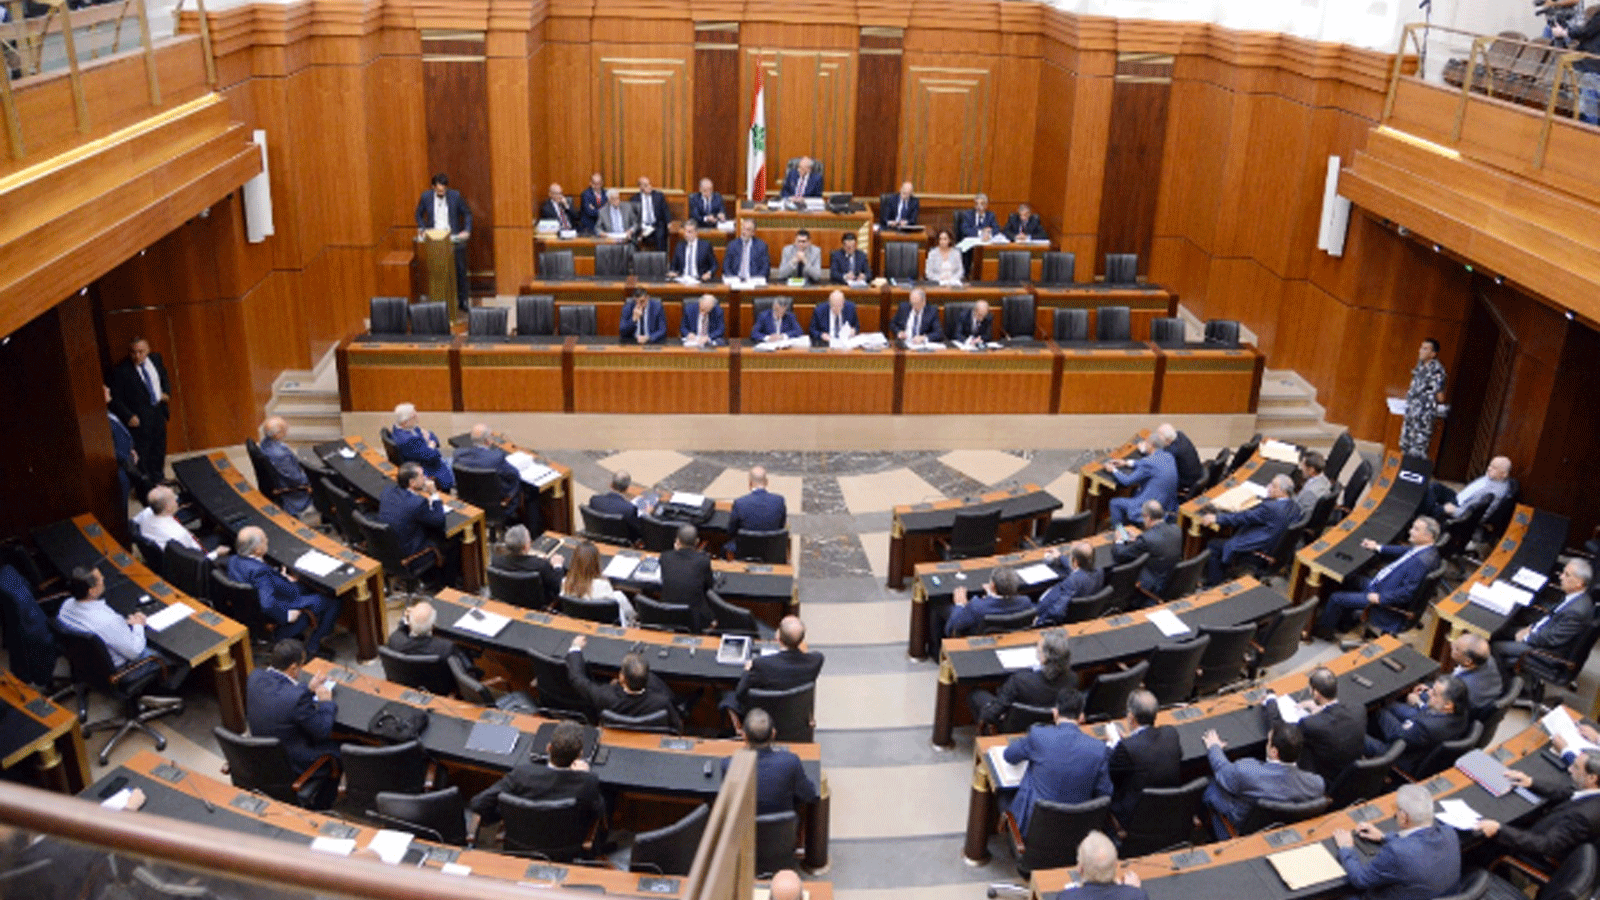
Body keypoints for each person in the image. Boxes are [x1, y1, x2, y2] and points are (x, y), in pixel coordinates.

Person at [468, 719, 607, 847]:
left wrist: (507, 815)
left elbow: (478, 803)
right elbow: (599, 812)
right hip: (563, 847)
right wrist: (584, 774)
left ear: (548, 748)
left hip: (520, 842)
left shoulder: (521, 775)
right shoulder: (587, 781)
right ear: (579, 755)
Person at [57, 566, 187, 691]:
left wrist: (119, 626)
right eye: (100, 579)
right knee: (173, 654)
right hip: (122, 671)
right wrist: (138, 625)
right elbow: (135, 652)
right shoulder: (107, 621)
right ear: (92, 591)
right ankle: (166, 690)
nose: (103, 579)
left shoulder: (66, 605)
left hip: (88, 665)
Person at [1003, 688, 1112, 835]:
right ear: (1081, 717)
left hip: (1032, 830)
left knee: (1002, 794)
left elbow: (1009, 755)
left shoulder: (1039, 735)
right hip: (1075, 834)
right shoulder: (1099, 749)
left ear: (1055, 713)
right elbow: (1104, 794)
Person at [1315, 517, 1440, 637]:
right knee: (1349, 577)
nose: (1410, 531)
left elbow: (1407, 593)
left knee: (1336, 598)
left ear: (1428, 536)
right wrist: (1377, 547)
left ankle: (1324, 633)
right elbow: (1404, 550)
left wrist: (1380, 598)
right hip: (1382, 585)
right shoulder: (1427, 550)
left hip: (1383, 598)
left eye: (1416, 529)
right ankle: (1345, 623)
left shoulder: (1421, 563)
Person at [1333, 783, 1460, 900]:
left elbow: (1360, 879)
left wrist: (1346, 848)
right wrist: (1384, 837)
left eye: (1397, 809)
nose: (1395, 813)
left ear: (1404, 817)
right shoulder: (1449, 833)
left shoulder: (1397, 852)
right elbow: (1421, 847)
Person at [228, 527, 342, 656]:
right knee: (332, 600)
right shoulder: (260, 572)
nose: (267, 540)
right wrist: (287, 615)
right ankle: (314, 646)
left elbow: (258, 583)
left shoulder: (233, 560)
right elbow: (267, 604)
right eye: (264, 540)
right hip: (284, 603)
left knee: (308, 586)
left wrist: (279, 578)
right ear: (257, 550)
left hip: (262, 604)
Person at [1201, 722, 1325, 839]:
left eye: (1268, 741)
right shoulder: (1316, 784)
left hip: (1242, 830)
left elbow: (1223, 771)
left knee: (1213, 787)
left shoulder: (1247, 770)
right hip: (1286, 832)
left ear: (1274, 752)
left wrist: (1214, 747)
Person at [1475, 751, 1600, 862]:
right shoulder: (1593, 793)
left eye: (1576, 767)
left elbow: (1545, 845)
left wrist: (1500, 829)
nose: (1570, 769)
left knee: (1481, 841)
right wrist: (1530, 782)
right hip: (1544, 828)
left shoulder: (1583, 817)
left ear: (1592, 778)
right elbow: (1568, 793)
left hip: (1533, 851)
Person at [247, 639, 339, 772]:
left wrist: (308, 688)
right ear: (293, 668)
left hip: (263, 753)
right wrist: (326, 702)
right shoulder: (296, 699)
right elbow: (322, 730)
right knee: (339, 750)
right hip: (292, 763)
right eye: (302, 665)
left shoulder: (255, 676)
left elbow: (280, 693)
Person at [1263, 666, 1364, 785]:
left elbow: (1281, 732)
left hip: (1324, 780)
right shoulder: (1359, 710)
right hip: (1352, 775)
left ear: (1316, 693)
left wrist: (1271, 700)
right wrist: (1321, 709)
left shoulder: (1310, 724)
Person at [1492, 558, 1595, 671]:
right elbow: (1550, 618)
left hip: (1545, 650)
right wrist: (1530, 628)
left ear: (1579, 583)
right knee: (1501, 631)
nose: (1561, 577)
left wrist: (1526, 637)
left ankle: (1498, 678)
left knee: (1495, 647)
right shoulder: (1575, 597)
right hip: (1540, 632)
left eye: (1567, 575)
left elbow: (1552, 639)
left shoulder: (1576, 611)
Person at [565, 635, 683, 732]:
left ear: (622, 678)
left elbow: (577, 679)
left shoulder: (604, 695)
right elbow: (677, 727)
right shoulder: (662, 701)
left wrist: (576, 648)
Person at [1200, 474, 1297, 585]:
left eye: (1273, 486)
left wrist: (1217, 518)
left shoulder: (1271, 508)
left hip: (1258, 549)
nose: (1268, 487)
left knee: (1213, 545)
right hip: (1274, 550)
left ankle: (1214, 584)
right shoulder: (1294, 506)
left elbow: (1244, 517)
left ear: (1282, 491)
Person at [968, 631, 1074, 728]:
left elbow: (992, 714)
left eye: (1039, 650)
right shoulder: (1073, 679)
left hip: (1013, 728)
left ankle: (985, 736)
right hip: (1050, 726)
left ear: (1044, 658)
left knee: (976, 695)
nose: (1037, 650)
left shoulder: (1019, 681)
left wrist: (996, 714)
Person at [725, 615, 824, 718]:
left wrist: (747, 670)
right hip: (795, 715)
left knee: (728, 697)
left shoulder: (760, 664)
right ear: (802, 639)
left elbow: (740, 693)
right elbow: (816, 654)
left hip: (763, 718)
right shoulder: (815, 661)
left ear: (777, 637)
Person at [1364, 675, 1470, 770]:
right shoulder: (1461, 711)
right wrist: (1420, 701)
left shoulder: (1426, 727)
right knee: (1381, 711)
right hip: (1416, 743)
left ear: (1448, 705)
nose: (1429, 693)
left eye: (1434, 693)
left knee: (1357, 734)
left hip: (1398, 756)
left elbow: (1395, 735)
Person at [378, 462, 460, 584]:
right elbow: (438, 519)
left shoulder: (387, 491)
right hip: (410, 556)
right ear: (412, 482)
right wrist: (434, 494)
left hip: (389, 550)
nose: (425, 478)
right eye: (422, 476)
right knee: (452, 539)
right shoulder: (417, 503)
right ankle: (445, 583)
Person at [1107, 689, 1181, 824]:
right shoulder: (1171, 733)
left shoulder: (1126, 748)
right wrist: (1129, 740)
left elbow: (1110, 773)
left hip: (1135, 815)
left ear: (1131, 717)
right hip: (1168, 807)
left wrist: (1114, 744)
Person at [109, 336, 171, 482]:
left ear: (148, 350)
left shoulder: (156, 360)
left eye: (141, 352)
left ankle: (159, 478)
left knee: (159, 446)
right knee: (144, 451)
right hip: (140, 417)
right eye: (133, 352)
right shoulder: (121, 371)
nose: (137, 356)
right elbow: (115, 398)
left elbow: (163, 376)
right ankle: (146, 484)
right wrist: (128, 416)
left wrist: (166, 393)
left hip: (157, 411)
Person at [735, 708, 819, 814]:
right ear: (773, 734)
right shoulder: (791, 762)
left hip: (744, 824)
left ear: (744, 735)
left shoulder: (730, 765)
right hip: (782, 824)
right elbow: (810, 795)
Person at [413, 173, 471, 310]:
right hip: (435, 239)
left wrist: (467, 230)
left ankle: (463, 300)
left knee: (460, 270)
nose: (442, 193)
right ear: (433, 187)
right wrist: (422, 228)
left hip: (452, 238)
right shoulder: (426, 197)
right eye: (439, 191)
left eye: (444, 190)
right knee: (436, 272)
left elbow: (467, 213)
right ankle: (439, 302)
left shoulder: (455, 196)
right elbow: (418, 214)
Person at [453, 423, 524, 525]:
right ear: (488, 441)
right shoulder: (496, 457)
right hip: (496, 505)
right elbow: (514, 475)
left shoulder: (459, 454)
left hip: (470, 503)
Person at [1106, 431, 1178, 528]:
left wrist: (1113, 470)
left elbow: (1127, 481)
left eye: (1146, 442)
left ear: (1152, 445)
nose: (1144, 444)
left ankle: (1120, 533)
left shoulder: (1148, 462)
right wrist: (1126, 462)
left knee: (1114, 503)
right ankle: (1129, 524)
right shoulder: (1169, 457)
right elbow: (1149, 464)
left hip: (1150, 506)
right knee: (1135, 491)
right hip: (1166, 505)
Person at [1111, 500, 1182, 599]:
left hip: (1150, 586)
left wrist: (1118, 540)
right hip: (1172, 581)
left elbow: (1119, 555)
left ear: (1148, 517)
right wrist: (1138, 539)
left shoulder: (1147, 539)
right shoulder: (1176, 529)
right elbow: (1159, 539)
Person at [558, 540, 635, 625]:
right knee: (619, 596)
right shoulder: (603, 585)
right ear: (596, 563)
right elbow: (623, 612)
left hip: (577, 625)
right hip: (604, 625)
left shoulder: (565, 582)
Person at [134, 485, 225, 555]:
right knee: (221, 536)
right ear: (168, 508)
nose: (177, 499)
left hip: (162, 544)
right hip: (194, 553)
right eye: (174, 498)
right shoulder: (179, 535)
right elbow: (200, 558)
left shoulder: (146, 512)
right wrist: (216, 553)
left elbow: (133, 524)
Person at [944, 567, 1034, 638]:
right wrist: (990, 594)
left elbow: (953, 627)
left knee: (942, 606)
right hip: (1011, 637)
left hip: (978, 639)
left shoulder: (976, 606)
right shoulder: (1025, 602)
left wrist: (960, 604)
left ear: (993, 585)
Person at [1058, 831, 1149, 900]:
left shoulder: (1065, 897)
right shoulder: (1138, 896)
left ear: (1080, 869)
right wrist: (1131, 891)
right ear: (1115, 865)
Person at [660, 524, 716, 632]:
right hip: (694, 616)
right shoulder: (703, 560)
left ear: (677, 541)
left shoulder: (665, 557)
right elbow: (709, 586)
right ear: (697, 542)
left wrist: (676, 550)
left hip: (668, 613)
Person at [387, 599, 471, 671]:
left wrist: (405, 619)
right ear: (433, 626)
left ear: (409, 624)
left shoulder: (395, 641)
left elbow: (400, 630)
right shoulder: (446, 647)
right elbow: (466, 667)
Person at [1423, 455, 1513, 522]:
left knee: (1431, 507)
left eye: (1494, 468)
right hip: (1458, 498)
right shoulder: (1494, 477)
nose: (1489, 468)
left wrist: (1451, 510)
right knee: (1435, 486)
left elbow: (1478, 514)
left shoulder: (1495, 493)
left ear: (1503, 474)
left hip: (1459, 509)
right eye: (1490, 465)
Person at [1034, 541, 1105, 626]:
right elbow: (1079, 571)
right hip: (1083, 614)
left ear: (1075, 562)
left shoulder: (1072, 582)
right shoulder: (1099, 571)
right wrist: (1060, 557)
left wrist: (1039, 621)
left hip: (1043, 611)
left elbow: (1057, 612)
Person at [492, 524, 567, 604]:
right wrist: (557, 566)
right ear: (525, 547)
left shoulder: (496, 560)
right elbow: (557, 586)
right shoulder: (541, 565)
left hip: (508, 600)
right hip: (537, 604)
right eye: (529, 541)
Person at [1399, 338, 1446, 458]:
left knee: (1417, 450)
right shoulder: (1420, 366)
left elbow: (1440, 397)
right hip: (1411, 413)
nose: (1420, 351)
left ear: (1433, 354)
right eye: (1421, 348)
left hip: (1423, 417)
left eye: (1425, 349)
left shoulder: (1437, 370)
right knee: (1405, 445)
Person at [390, 402, 454, 492]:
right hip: (431, 469)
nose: (417, 417)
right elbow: (435, 455)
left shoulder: (399, 428)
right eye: (414, 416)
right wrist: (431, 445)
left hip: (425, 460)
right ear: (404, 422)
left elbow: (433, 437)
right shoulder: (409, 440)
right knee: (461, 466)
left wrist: (430, 444)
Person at [1552, 10, 1600, 125]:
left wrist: (1565, 33)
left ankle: (1588, 126)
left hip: (1592, 65)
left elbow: (1586, 32)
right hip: (1589, 64)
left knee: (1589, 87)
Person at [728, 466, 786, 557]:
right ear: (766, 482)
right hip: (772, 552)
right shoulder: (779, 501)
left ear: (750, 483)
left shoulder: (739, 503)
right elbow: (781, 526)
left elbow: (731, 531)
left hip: (744, 552)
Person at [259, 417, 311, 516]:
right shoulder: (280, 456)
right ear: (277, 434)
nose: (286, 431)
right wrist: (311, 478)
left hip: (280, 481)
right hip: (292, 492)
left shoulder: (265, 443)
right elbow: (296, 479)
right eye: (284, 429)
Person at [1448, 633, 1503, 713]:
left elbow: (1448, 707)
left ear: (1468, 661)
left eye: (1457, 649)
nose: (1452, 644)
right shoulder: (1488, 659)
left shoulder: (1461, 687)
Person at [106, 384, 137, 523]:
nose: (108, 389)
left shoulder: (110, 412)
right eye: (104, 388)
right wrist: (127, 457)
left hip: (125, 462)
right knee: (120, 507)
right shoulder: (101, 419)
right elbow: (109, 447)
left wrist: (131, 449)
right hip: (119, 467)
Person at [589, 471, 642, 542]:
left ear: (611, 484)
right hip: (621, 543)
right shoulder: (629, 509)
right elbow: (638, 531)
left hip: (597, 538)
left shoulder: (594, 500)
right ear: (627, 488)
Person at [954, 193, 998, 274]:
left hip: (985, 244)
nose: (979, 206)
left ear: (986, 206)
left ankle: (986, 273)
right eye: (977, 204)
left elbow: (996, 229)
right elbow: (964, 229)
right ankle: (967, 273)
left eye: (982, 204)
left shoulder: (990, 215)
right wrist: (981, 233)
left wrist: (989, 234)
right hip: (971, 245)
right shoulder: (968, 215)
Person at [1157, 424, 1204, 495]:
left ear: (1167, 440)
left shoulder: (1173, 450)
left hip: (1186, 483)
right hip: (1196, 474)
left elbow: (1157, 461)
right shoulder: (1180, 435)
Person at [1293, 450, 1331, 523]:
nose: (1301, 468)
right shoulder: (1325, 480)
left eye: (1303, 465)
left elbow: (1296, 511)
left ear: (1311, 470)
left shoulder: (1310, 492)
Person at [632, 176, 670, 250]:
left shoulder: (658, 196)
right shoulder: (635, 199)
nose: (649, 187)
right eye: (646, 185)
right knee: (634, 237)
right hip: (642, 226)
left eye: (650, 184)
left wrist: (669, 223)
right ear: (640, 187)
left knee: (661, 234)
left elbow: (665, 210)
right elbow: (633, 216)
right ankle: (637, 257)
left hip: (656, 225)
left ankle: (661, 256)